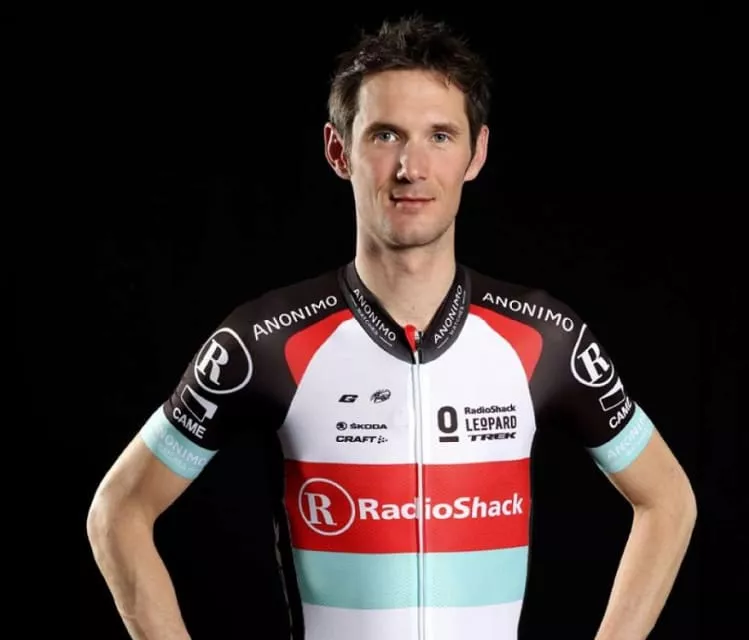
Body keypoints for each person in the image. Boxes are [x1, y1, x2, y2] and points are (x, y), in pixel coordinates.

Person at [86, 15, 697, 640]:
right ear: (338, 151)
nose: (412, 167)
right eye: (385, 135)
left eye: (440, 136)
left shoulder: (544, 338)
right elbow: (118, 511)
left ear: (477, 152)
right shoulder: (265, 341)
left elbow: (668, 500)